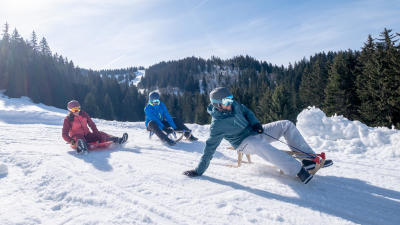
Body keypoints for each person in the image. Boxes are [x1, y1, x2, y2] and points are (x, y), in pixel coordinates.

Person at [183, 87, 333, 184]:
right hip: (244, 143)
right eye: (226, 101)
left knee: (286, 124)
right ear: (217, 104)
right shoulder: (217, 125)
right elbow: (209, 148)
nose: (231, 102)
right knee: (261, 146)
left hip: (254, 132)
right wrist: (199, 170)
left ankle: (309, 159)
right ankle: (298, 171)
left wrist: (256, 124)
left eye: (231, 99)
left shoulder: (234, 105)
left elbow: (247, 111)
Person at [62, 100, 128, 153]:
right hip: (76, 137)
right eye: (74, 110)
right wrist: (71, 141)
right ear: (70, 110)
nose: (77, 111)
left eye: (78, 109)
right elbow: (64, 134)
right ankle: (82, 146)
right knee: (79, 138)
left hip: (87, 134)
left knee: (100, 134)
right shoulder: (68, 119)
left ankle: (117, 139)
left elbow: (91, 124)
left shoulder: (84, 114)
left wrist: (96, 133)